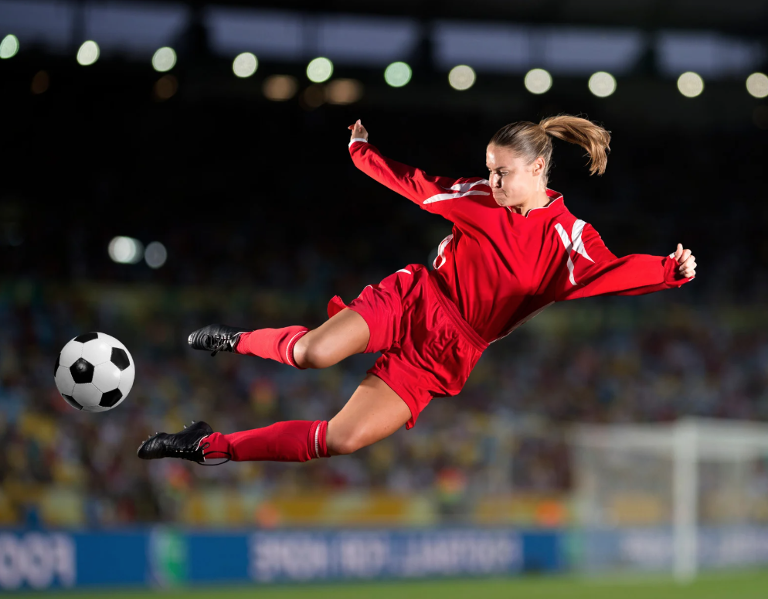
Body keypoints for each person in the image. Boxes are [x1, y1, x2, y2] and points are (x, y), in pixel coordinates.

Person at [137, 115, 696, 465]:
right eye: (489, 170)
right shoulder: (479, 197)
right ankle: (235, 339)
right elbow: (418, 185)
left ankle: (206, 445)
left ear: (540, 167)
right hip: (415, 300)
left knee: (341, 440)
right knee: (312, 353)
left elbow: (611, 271)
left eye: (503, 172)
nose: (493, 182)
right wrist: (362, 153)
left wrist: (667, 270)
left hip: (450, 352)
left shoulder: (570, 239)